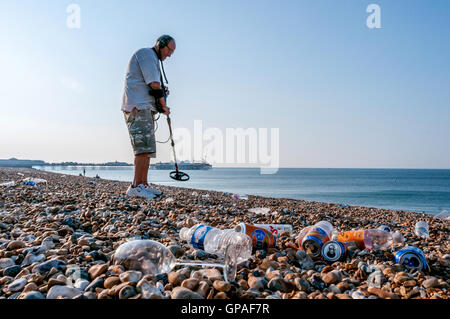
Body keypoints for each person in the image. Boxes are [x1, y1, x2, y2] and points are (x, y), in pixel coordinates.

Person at [121, 35, 175, 199]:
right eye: (169, 50)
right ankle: (136, 186)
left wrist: (160, 100)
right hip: (138, 108)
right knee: (142, 150)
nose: (169, 54)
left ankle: (143, 184)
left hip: (146, 108)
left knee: (147, 149)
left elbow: (154, 87)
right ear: (161, 45)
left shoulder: (153, 59)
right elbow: (154, 85)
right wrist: (163, 105)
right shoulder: (146, 55)